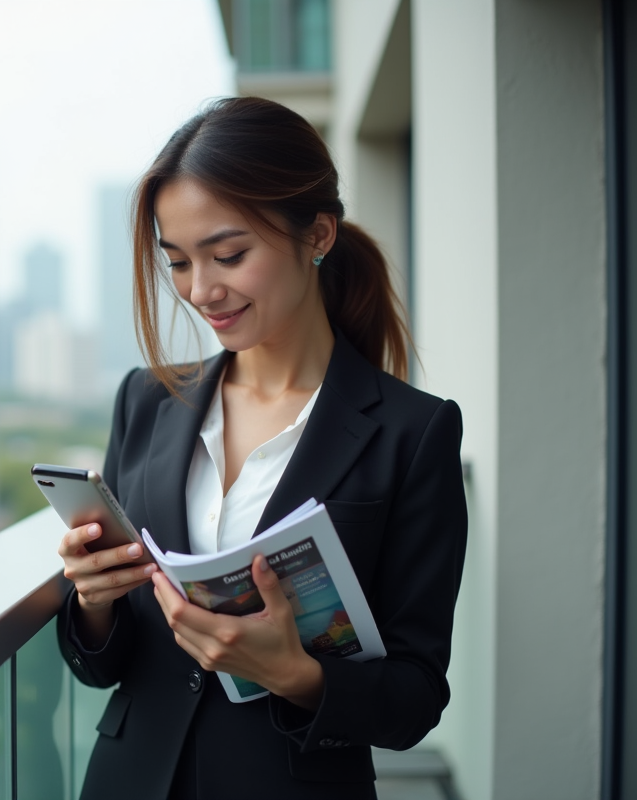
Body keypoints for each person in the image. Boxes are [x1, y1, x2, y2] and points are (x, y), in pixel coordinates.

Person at [55, 97, 468, 799]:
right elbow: (105, 665)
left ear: (318, 235)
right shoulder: (145, 402)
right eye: (179, 262)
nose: (201, 291)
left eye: (229, 255)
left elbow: (414, 700)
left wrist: (295, 673)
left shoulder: (412, 432)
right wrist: (93, 601)